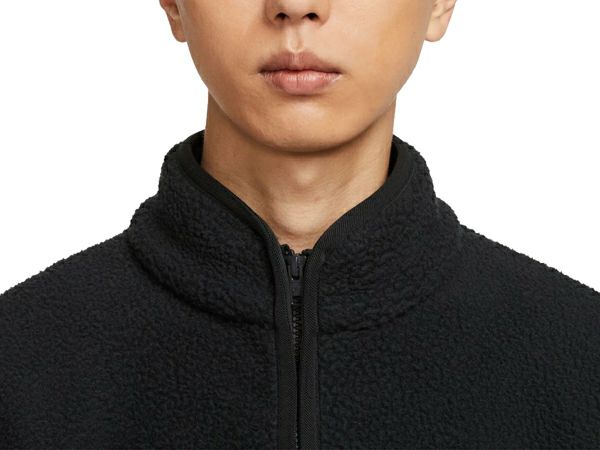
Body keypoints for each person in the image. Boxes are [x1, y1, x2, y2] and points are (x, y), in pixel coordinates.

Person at [1, 0, 599, 448]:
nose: (296, 5)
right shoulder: (19, 361)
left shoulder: (581, 358)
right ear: (173, 4)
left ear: (440, 3)